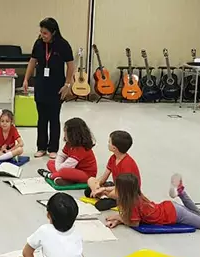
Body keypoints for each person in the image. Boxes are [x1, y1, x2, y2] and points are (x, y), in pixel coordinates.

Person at [22, 17, 75, 159]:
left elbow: (71, 65)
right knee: (41, 118)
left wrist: (67, 84)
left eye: (45, 33)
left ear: (54, 32)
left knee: (54, 117)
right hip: (41, 85)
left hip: (56, 87)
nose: (42, 35)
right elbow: (32, 61)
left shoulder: (63, 45)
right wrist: (26, 79)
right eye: (41, 32)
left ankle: (53, 148)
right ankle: (41, 147)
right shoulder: (39, 44)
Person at [105, 173, 200, 231]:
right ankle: (180, 191)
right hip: (171, 208)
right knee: (196, 213)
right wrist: (118, 219)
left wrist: (120, 219)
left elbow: (135, 223)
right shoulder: (136, 195)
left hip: (176, 215)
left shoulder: (132, 203)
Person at [85, 130, 140, 211]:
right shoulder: (113, 158)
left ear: (114, 148)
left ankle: (105, 196)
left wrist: (103, 189)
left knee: (113, 194)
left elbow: (123, 187)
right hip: (116, 186)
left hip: (126, 190)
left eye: (109, 142)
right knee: (91, 180)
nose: (108, 144)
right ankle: (104, 196)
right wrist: (97, 186)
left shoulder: (127, 164)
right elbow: (104, 178)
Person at [37, 118, 96, 186]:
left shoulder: (80, 149)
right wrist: (58, 167)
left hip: (86, 175)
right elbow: (61, 155)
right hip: (73, 169)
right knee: (50, 163)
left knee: (63, 171)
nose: (64, 134)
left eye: (65, 132)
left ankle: (51, 175)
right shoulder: (69, 143)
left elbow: (68, 165)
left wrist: (58, 171)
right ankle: (66, 179)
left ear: (73, 134)